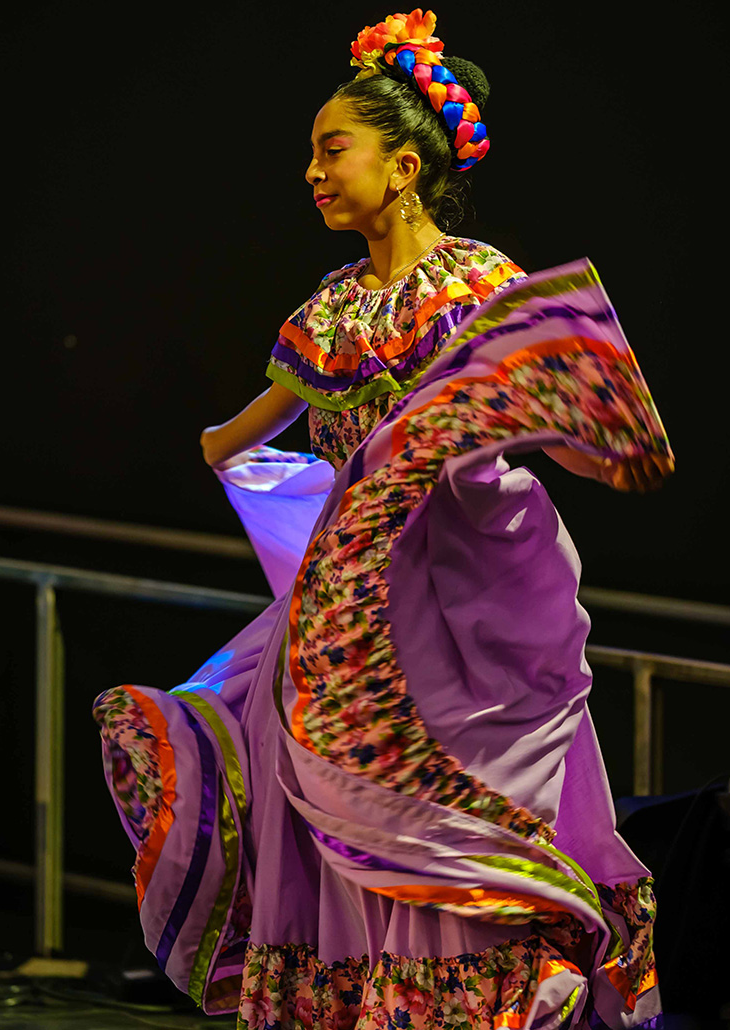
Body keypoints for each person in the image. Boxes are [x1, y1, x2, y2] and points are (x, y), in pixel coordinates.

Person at [94, 10, 673, 1029]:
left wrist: (548, 433)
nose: (312, 173)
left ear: (403, 166)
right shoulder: (326, 312)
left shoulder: (476, 288)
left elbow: (567, 434)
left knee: (445, 804)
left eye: (331, 149)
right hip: (355, 606)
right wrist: (270, 463)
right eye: (310, 155)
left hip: (467, 599)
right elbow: (237, 434)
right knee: (359, 806)